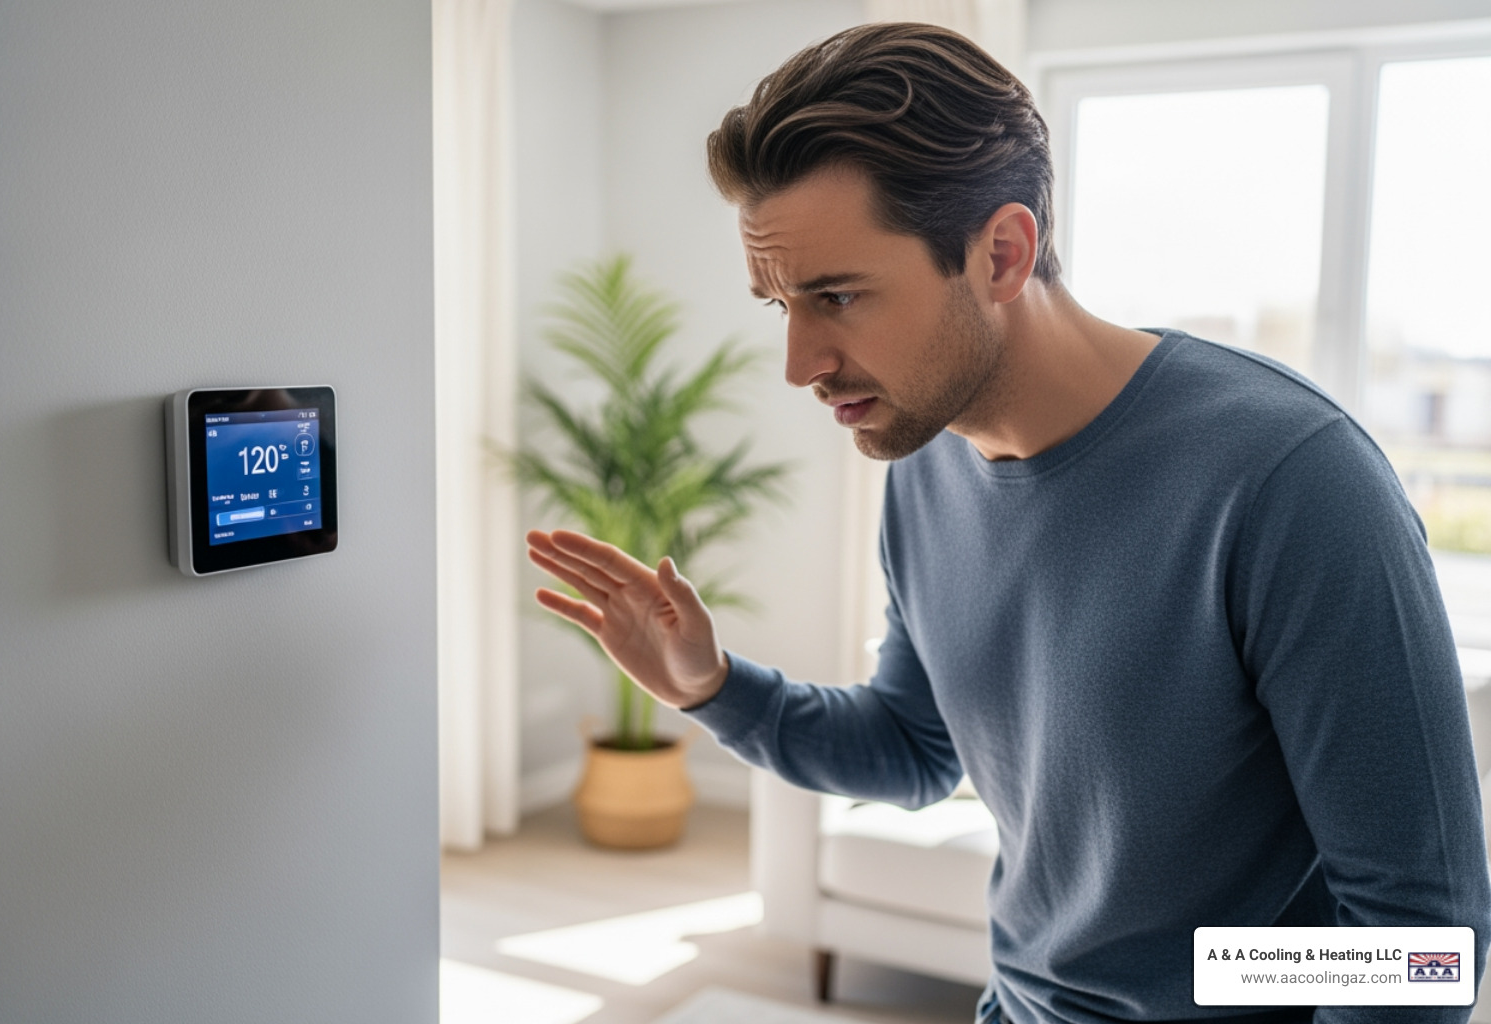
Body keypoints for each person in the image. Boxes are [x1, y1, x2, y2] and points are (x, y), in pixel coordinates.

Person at [525, 21, 1490, 1024]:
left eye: (839, 296)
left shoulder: (1291, 479)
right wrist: (711, 688)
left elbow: (1424, 946)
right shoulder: (925, 460)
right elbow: (912, 749)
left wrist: (1198, 985)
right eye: (782, 306)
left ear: (1002, 250)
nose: (800, 363)